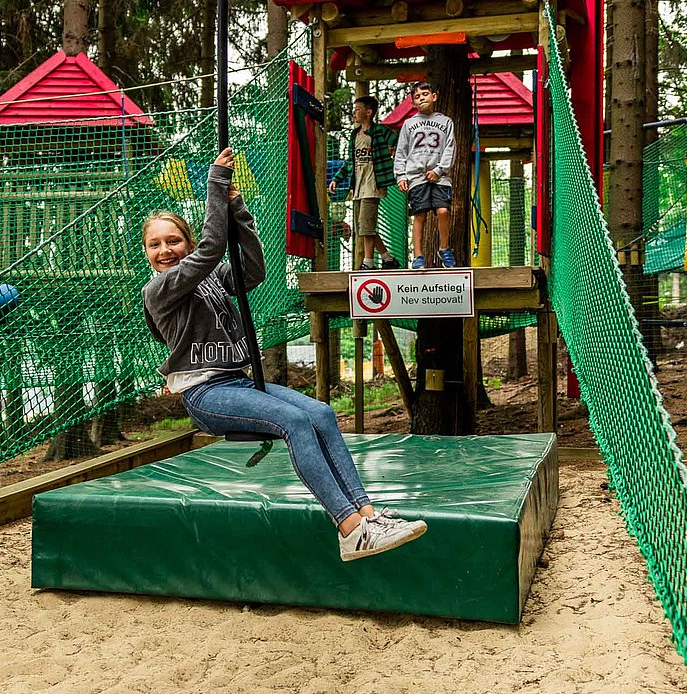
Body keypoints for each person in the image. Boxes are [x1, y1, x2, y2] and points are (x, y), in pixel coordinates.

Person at [141, 147, 427, 561]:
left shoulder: (210, 278)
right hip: (205, 393)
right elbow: (212, 248)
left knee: (322, 414)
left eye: (173, 240)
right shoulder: (160, 288)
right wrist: (216, 184)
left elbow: (251, 268)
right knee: (293, 420)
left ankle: (368, 516)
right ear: (147, 252)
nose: (165, 250)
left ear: (184, 242)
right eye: (155, 244)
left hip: (237, 382)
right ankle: (349, 527)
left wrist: (237, 209)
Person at [328, 95, 401, 270]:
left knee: (366, 226)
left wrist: (393, 155)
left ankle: (368, 262)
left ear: (369, 112)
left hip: (373, 184)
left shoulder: (379, 131)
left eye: (357, 109)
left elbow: (399, 143)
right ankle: (387, 258)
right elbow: (350, 162)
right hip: (358, 187)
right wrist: (336, 179)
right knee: (363, 226)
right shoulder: (355, 135)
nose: (354, 112)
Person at [394, 81, 457, 269]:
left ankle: (444, 248)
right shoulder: (409, 124)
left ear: (434, 96)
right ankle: (418, 256)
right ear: (413, 103)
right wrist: (401, 175)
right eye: (417, 97)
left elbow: (450, 148)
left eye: (425, 94)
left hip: (440, 176)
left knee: (443, 211)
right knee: (419, 214)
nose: (421, 98)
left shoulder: (446, 122)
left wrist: (439, 170)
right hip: (416, 176)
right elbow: (401, 151)